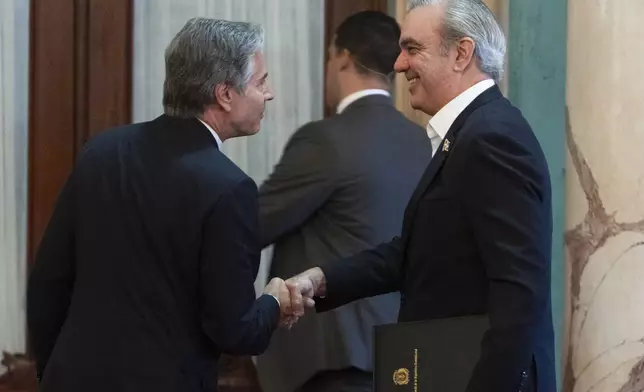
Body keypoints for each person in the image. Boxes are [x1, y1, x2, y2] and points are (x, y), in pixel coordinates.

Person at [285, 1, 556, 391]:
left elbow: (519, 295)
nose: (398, 64)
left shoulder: (491, 139)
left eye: (412, 49)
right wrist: (324, 278)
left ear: (462, 54)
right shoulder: (470, 133)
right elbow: (417, 252)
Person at [26, 18, 294, 392]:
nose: (269, 94)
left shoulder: (101, 153)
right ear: (224, 94)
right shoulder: (229, 188)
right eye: (261, 81)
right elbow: (234, 330)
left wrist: (51, 372)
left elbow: (46, 285)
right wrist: (273, 304)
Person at [255, 11, 432, 392]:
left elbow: (252, 224)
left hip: (333, 358)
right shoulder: (423, 143)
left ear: (343, 59)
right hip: (403, 357)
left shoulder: (324, 140)